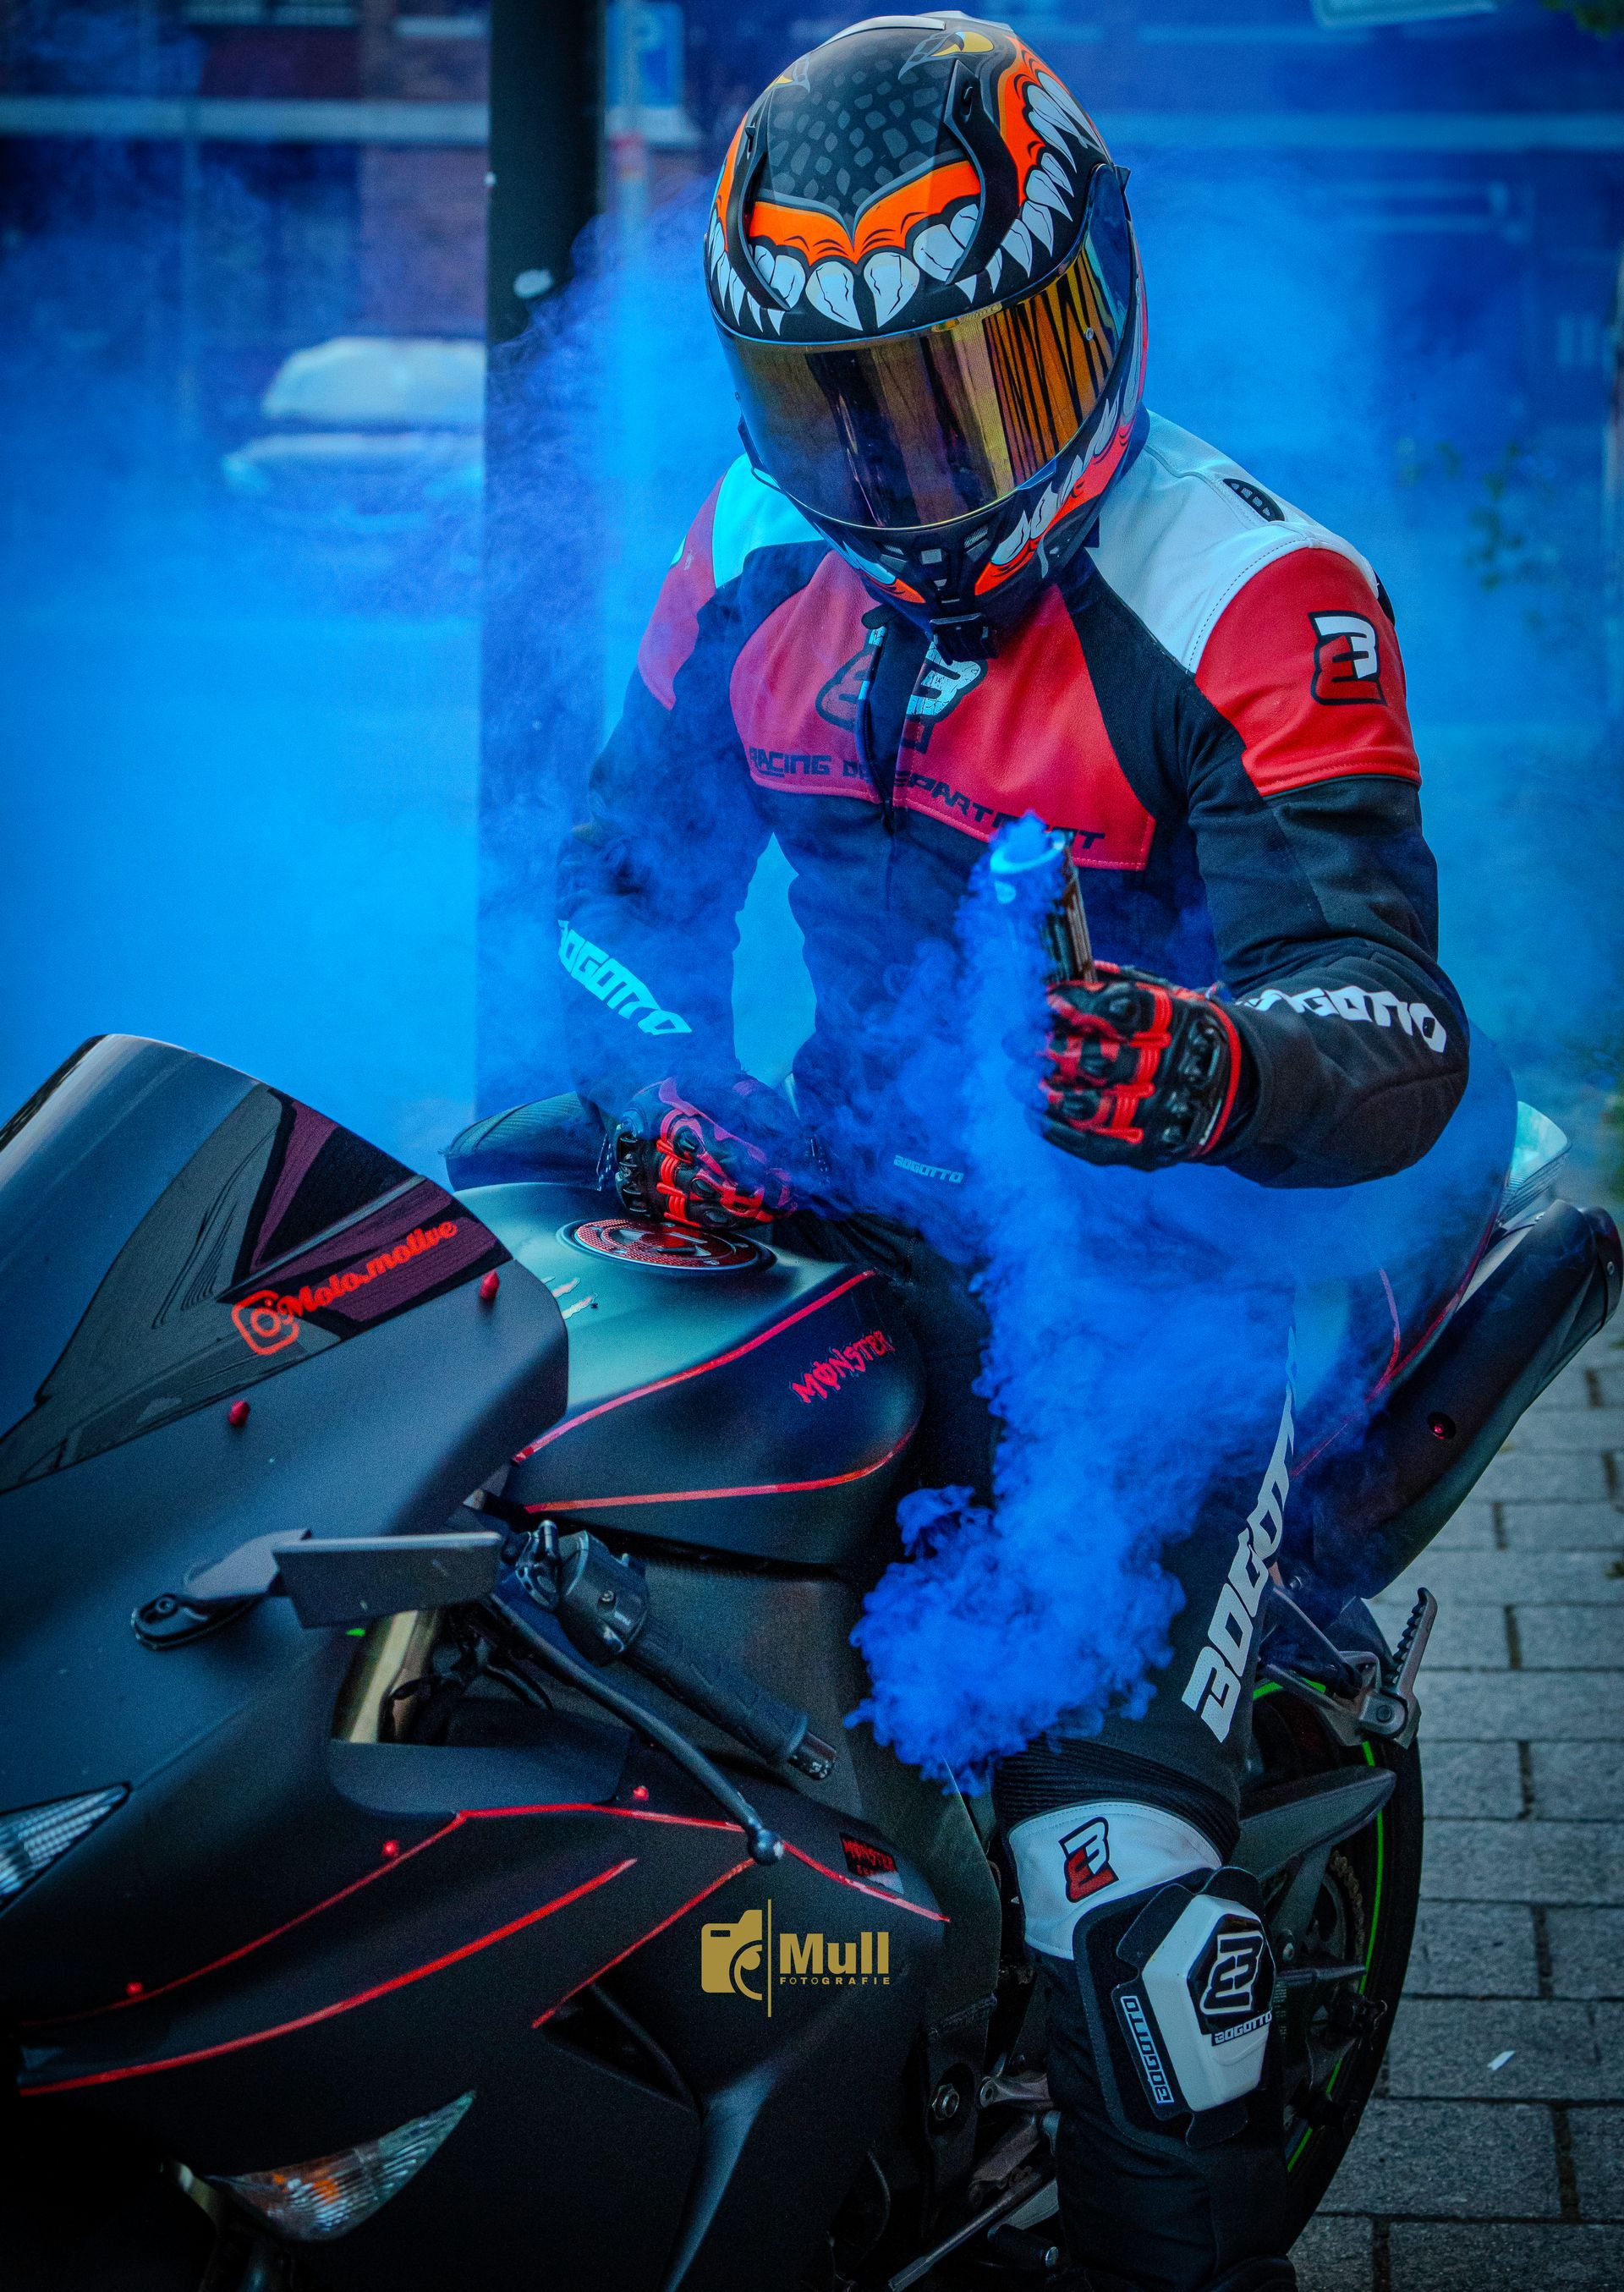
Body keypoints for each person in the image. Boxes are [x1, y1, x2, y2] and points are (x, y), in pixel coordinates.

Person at [554, 17, 1472, 2290]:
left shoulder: (1257, 591)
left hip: (1179, 1280)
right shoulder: (746, 551)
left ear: (1103, 302)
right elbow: (603, 911)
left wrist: (1202, 1069)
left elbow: (1394, 1019)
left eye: (971, 380)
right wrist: (672, 1094)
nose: (903, 461)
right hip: (855, 1197)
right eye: (838, 402)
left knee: (1112, 1866)